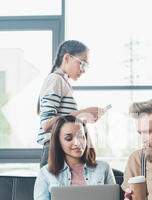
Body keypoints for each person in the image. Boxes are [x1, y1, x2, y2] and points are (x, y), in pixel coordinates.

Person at [37, 40, 106, 168]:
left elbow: (62, 121)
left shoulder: (62, 83)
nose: (83, 70)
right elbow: (47, 124)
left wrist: (82, 119)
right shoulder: (55, 80)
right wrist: (81, 112)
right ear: (67, 58)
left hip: (61, 149)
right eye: (82, 63)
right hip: (55, 151)